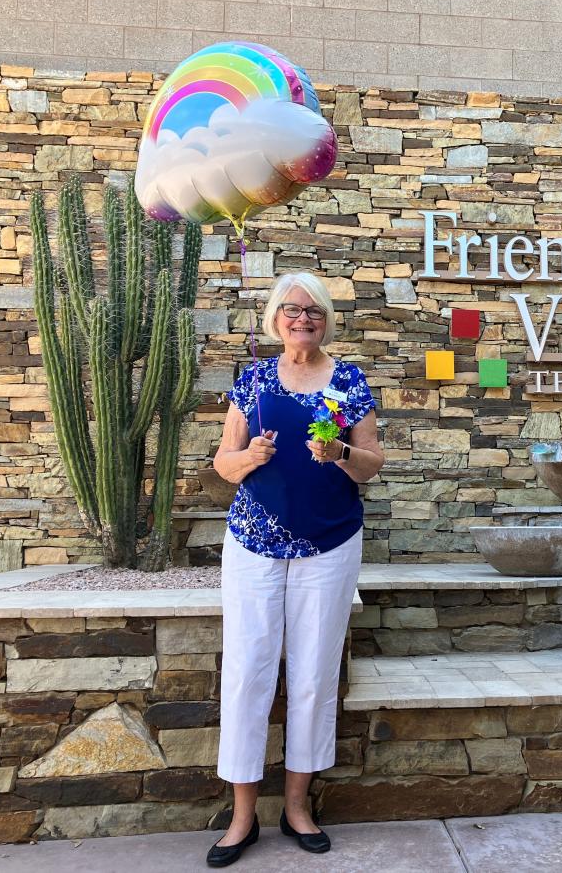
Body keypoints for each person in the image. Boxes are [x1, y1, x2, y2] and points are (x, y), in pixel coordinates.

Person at [206, 271, 384, 868]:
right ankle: (241, 817)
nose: (301, 318)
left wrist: (341, 454)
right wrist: (248, 456)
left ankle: (298, 807)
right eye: (290, 309)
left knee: (312, 673)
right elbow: (223, 464)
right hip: (254, 543)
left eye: (312, 310)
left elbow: (371, 464)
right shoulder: (251, 382)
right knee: (249, 671)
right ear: (274, 319)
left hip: (330, 545)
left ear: (326, 318)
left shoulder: (350, 380)